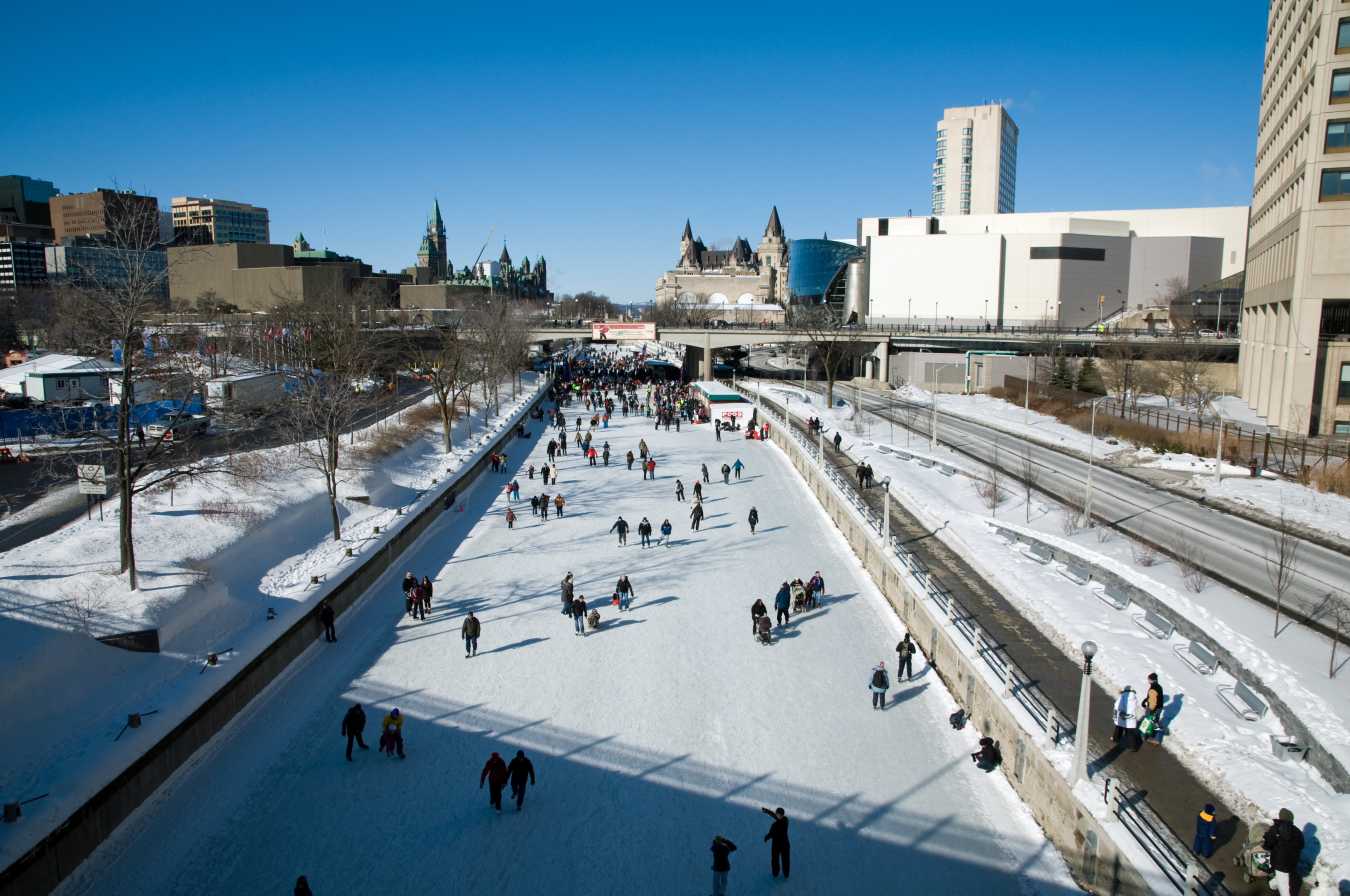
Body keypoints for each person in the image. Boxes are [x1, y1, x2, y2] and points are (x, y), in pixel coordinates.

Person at [1261, 808, 1305, 896]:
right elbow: (1301, 845)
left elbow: (1267, 844)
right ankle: (1272, 885)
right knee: (1283, 878)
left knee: (1285, 889)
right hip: (1292, 863)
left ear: (1280, 817)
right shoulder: (1298, 832)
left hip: (1280, 864)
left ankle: (1276, 886)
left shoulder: (1275, 828)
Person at [761, 807, 790, 880]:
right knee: (775, 860)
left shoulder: (782, 823)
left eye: (779, 814)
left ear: (782, 815)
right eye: (777, 814)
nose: (778, 816)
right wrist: (767, 811)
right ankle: (776, 873)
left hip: (783, 845)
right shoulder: (784, 820)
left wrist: (768, 836)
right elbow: (774, 816)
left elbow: (773, 833)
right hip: (777, 845)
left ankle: (785, 873)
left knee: (785, 860)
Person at [1111, 685, 1140, 750]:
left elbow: (1117, 705)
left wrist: (1116, 714)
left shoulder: (1123, 696)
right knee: (1130, 733)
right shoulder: (1134, 697)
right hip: (1131, 718)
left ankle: (1116, 739)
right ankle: (1133, 747)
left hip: (1122, 716)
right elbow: (1137, 706)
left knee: (1118, 728)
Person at [1141, 672, 1164, 744]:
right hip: (1159, 707)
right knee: (1155, 722)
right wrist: (1146, 699)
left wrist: (1150, 710)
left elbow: (1153, 701)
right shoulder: (1159, 686)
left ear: (1152, 680)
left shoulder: (1153, 689)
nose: (1148, 680)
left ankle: (1143, 736)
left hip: (1153, 708)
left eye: (1149, 679)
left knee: (1147, 721)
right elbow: (1155, 697)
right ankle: (1155, 738)